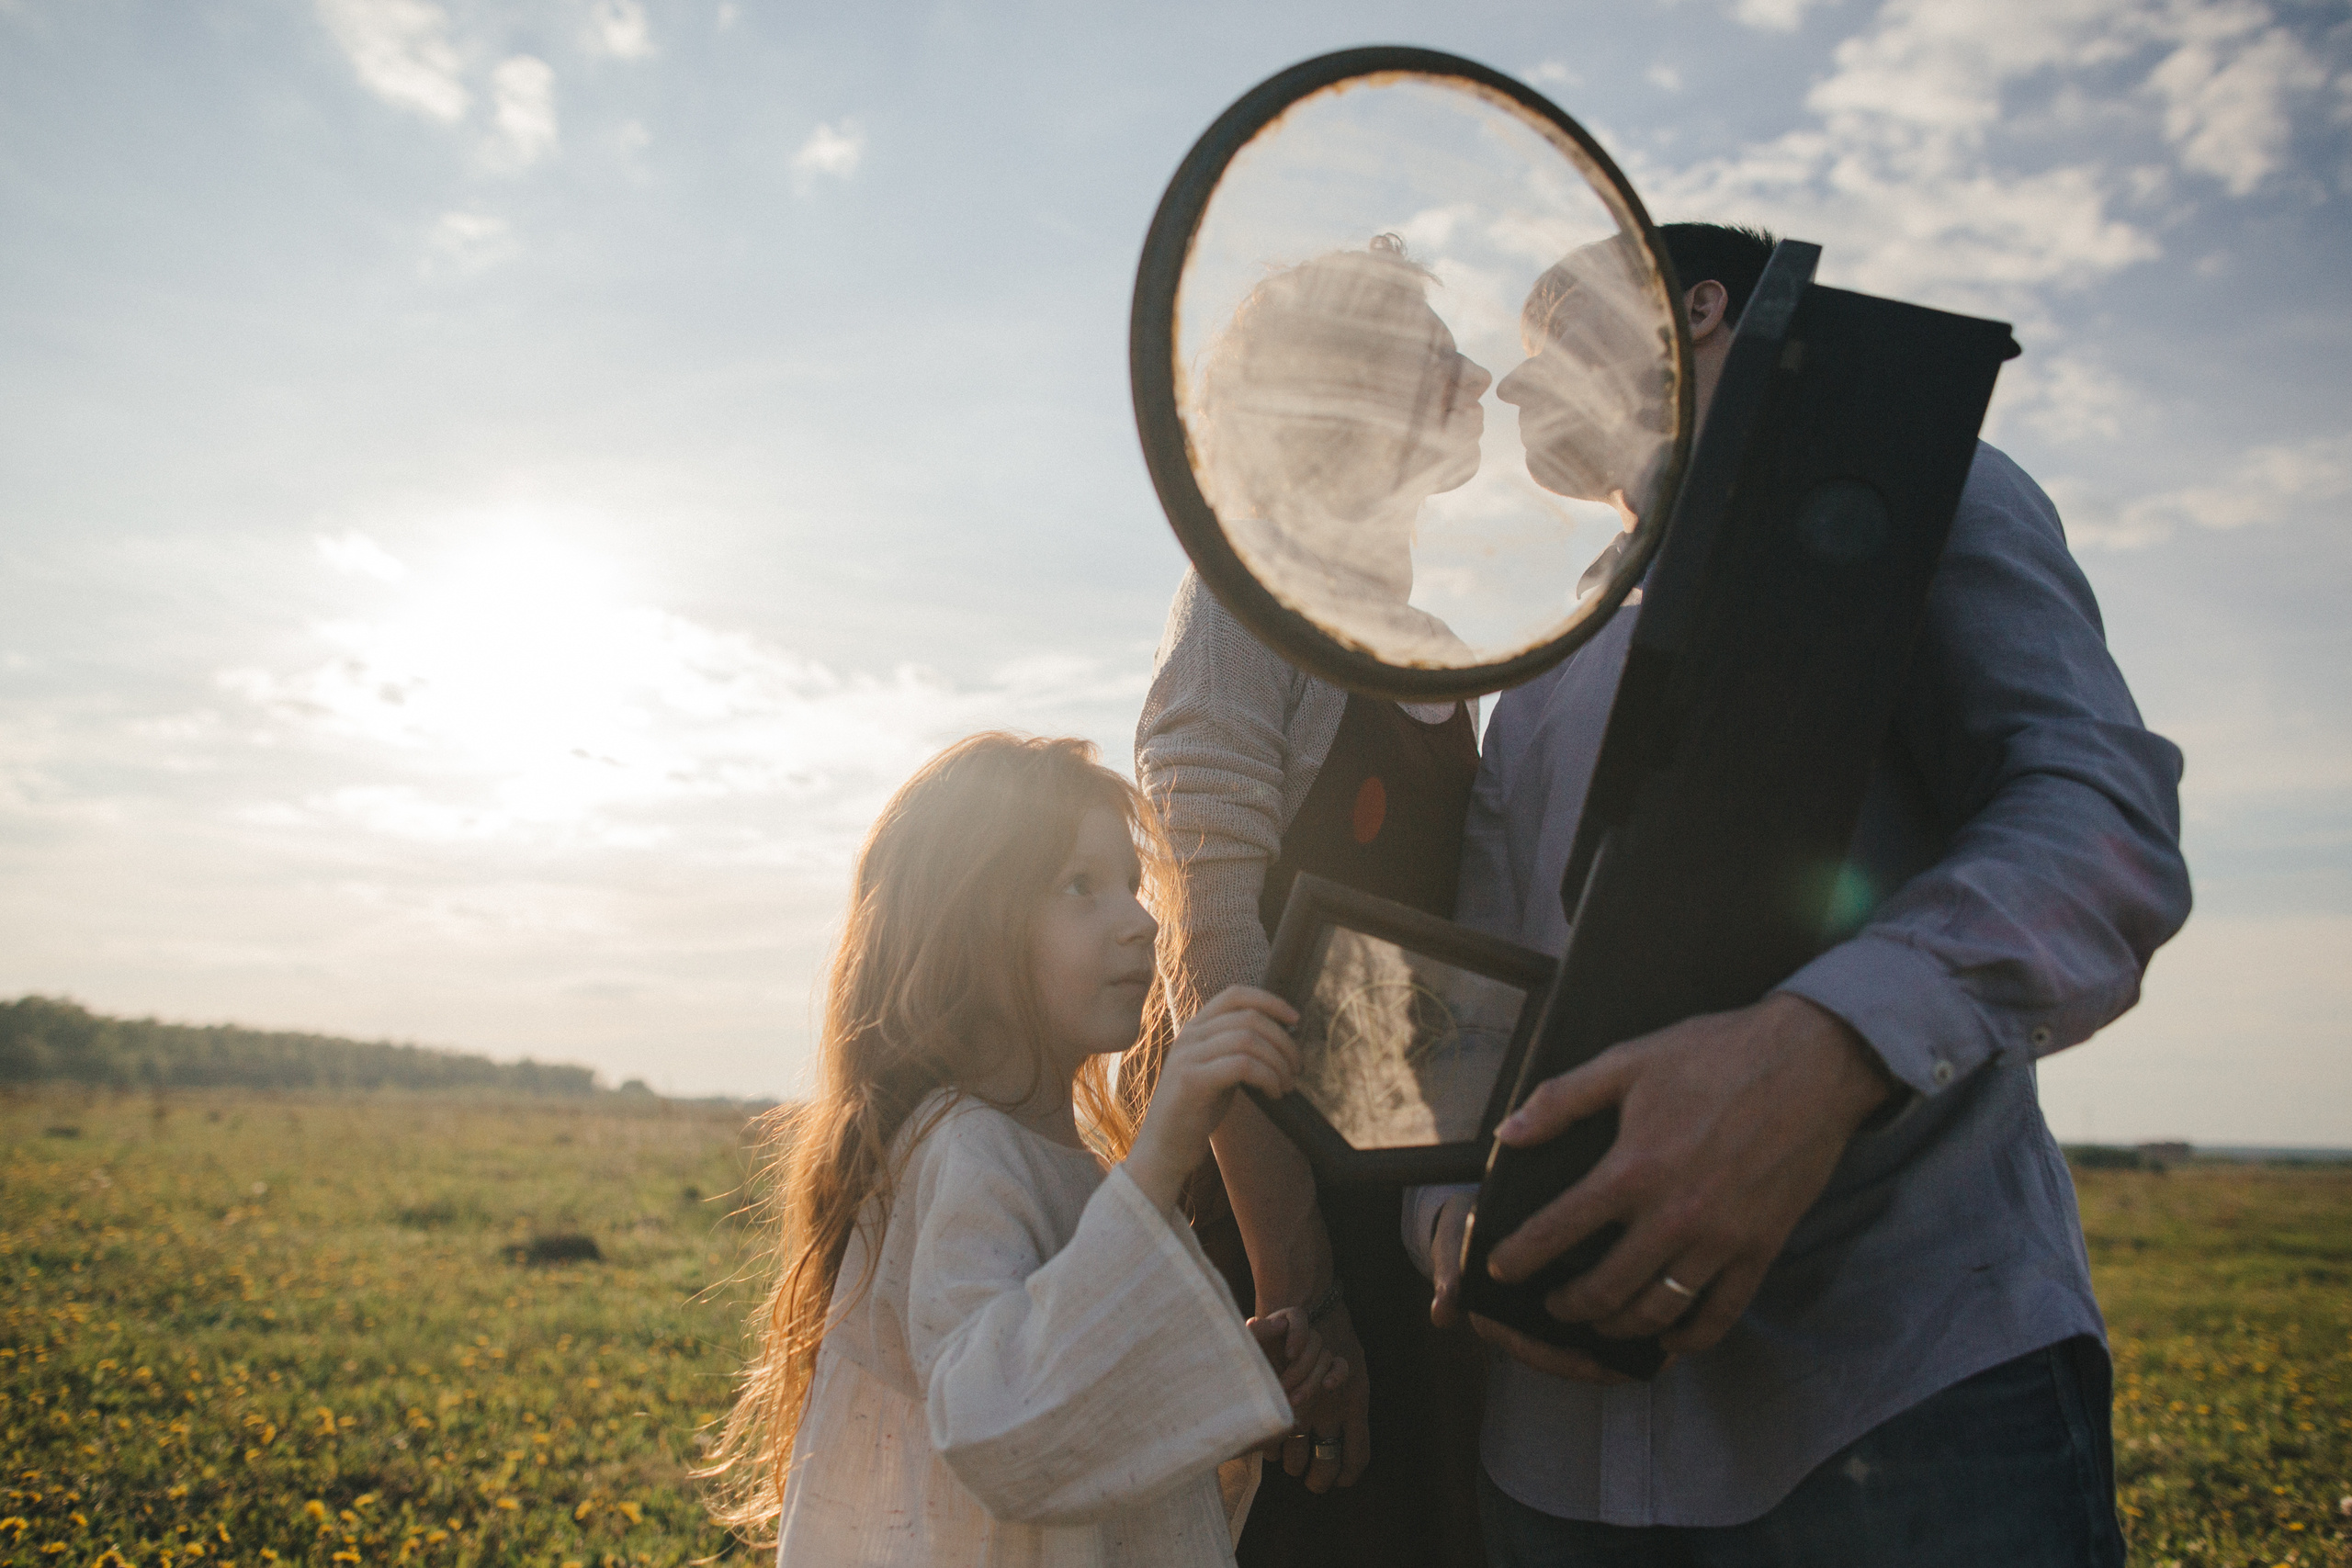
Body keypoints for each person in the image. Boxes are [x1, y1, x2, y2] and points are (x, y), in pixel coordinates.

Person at [1409, 222, 2192, 1564]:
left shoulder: (1919, 477)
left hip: (1906, 1397)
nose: (1521, 382)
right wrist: (1440, 1221)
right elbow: (1470, 992)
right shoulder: (1538, 669)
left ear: (1699, 306)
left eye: (1552, 336)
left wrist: (1824, 1046)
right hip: (1547, 1465)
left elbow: (2101, 815)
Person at [706, 733, 1348, 1566]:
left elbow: (1067, 1398)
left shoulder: (1060, 1159)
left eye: (1131, 883)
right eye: (1080, 887)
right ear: (966, 928)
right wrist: (1163, 1149)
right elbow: (1001, 1427)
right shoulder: (962, 1148)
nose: (1141, 920)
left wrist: (1209, 1372)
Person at [1139, 236, 1494, 1568]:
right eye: (1430, 356)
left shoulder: (1449, 647)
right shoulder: (1244, 600)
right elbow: (1207, 952)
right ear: (1333, 392)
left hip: (1412, 1208)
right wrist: (1299, 1292)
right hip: (1270, 1222)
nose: (1475, 378)